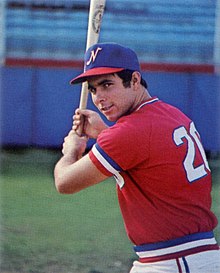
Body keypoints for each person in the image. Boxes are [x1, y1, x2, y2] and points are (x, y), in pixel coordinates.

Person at [54, 42, 220, 273]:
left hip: (173, 261)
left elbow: (65, 182)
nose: (99, 97)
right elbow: (147, 161)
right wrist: (105, 132)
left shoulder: (130, 132)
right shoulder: (173, 114)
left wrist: (71, 151)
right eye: (93, 89)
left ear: (134, 80)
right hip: (197, 254)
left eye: (107, 84)